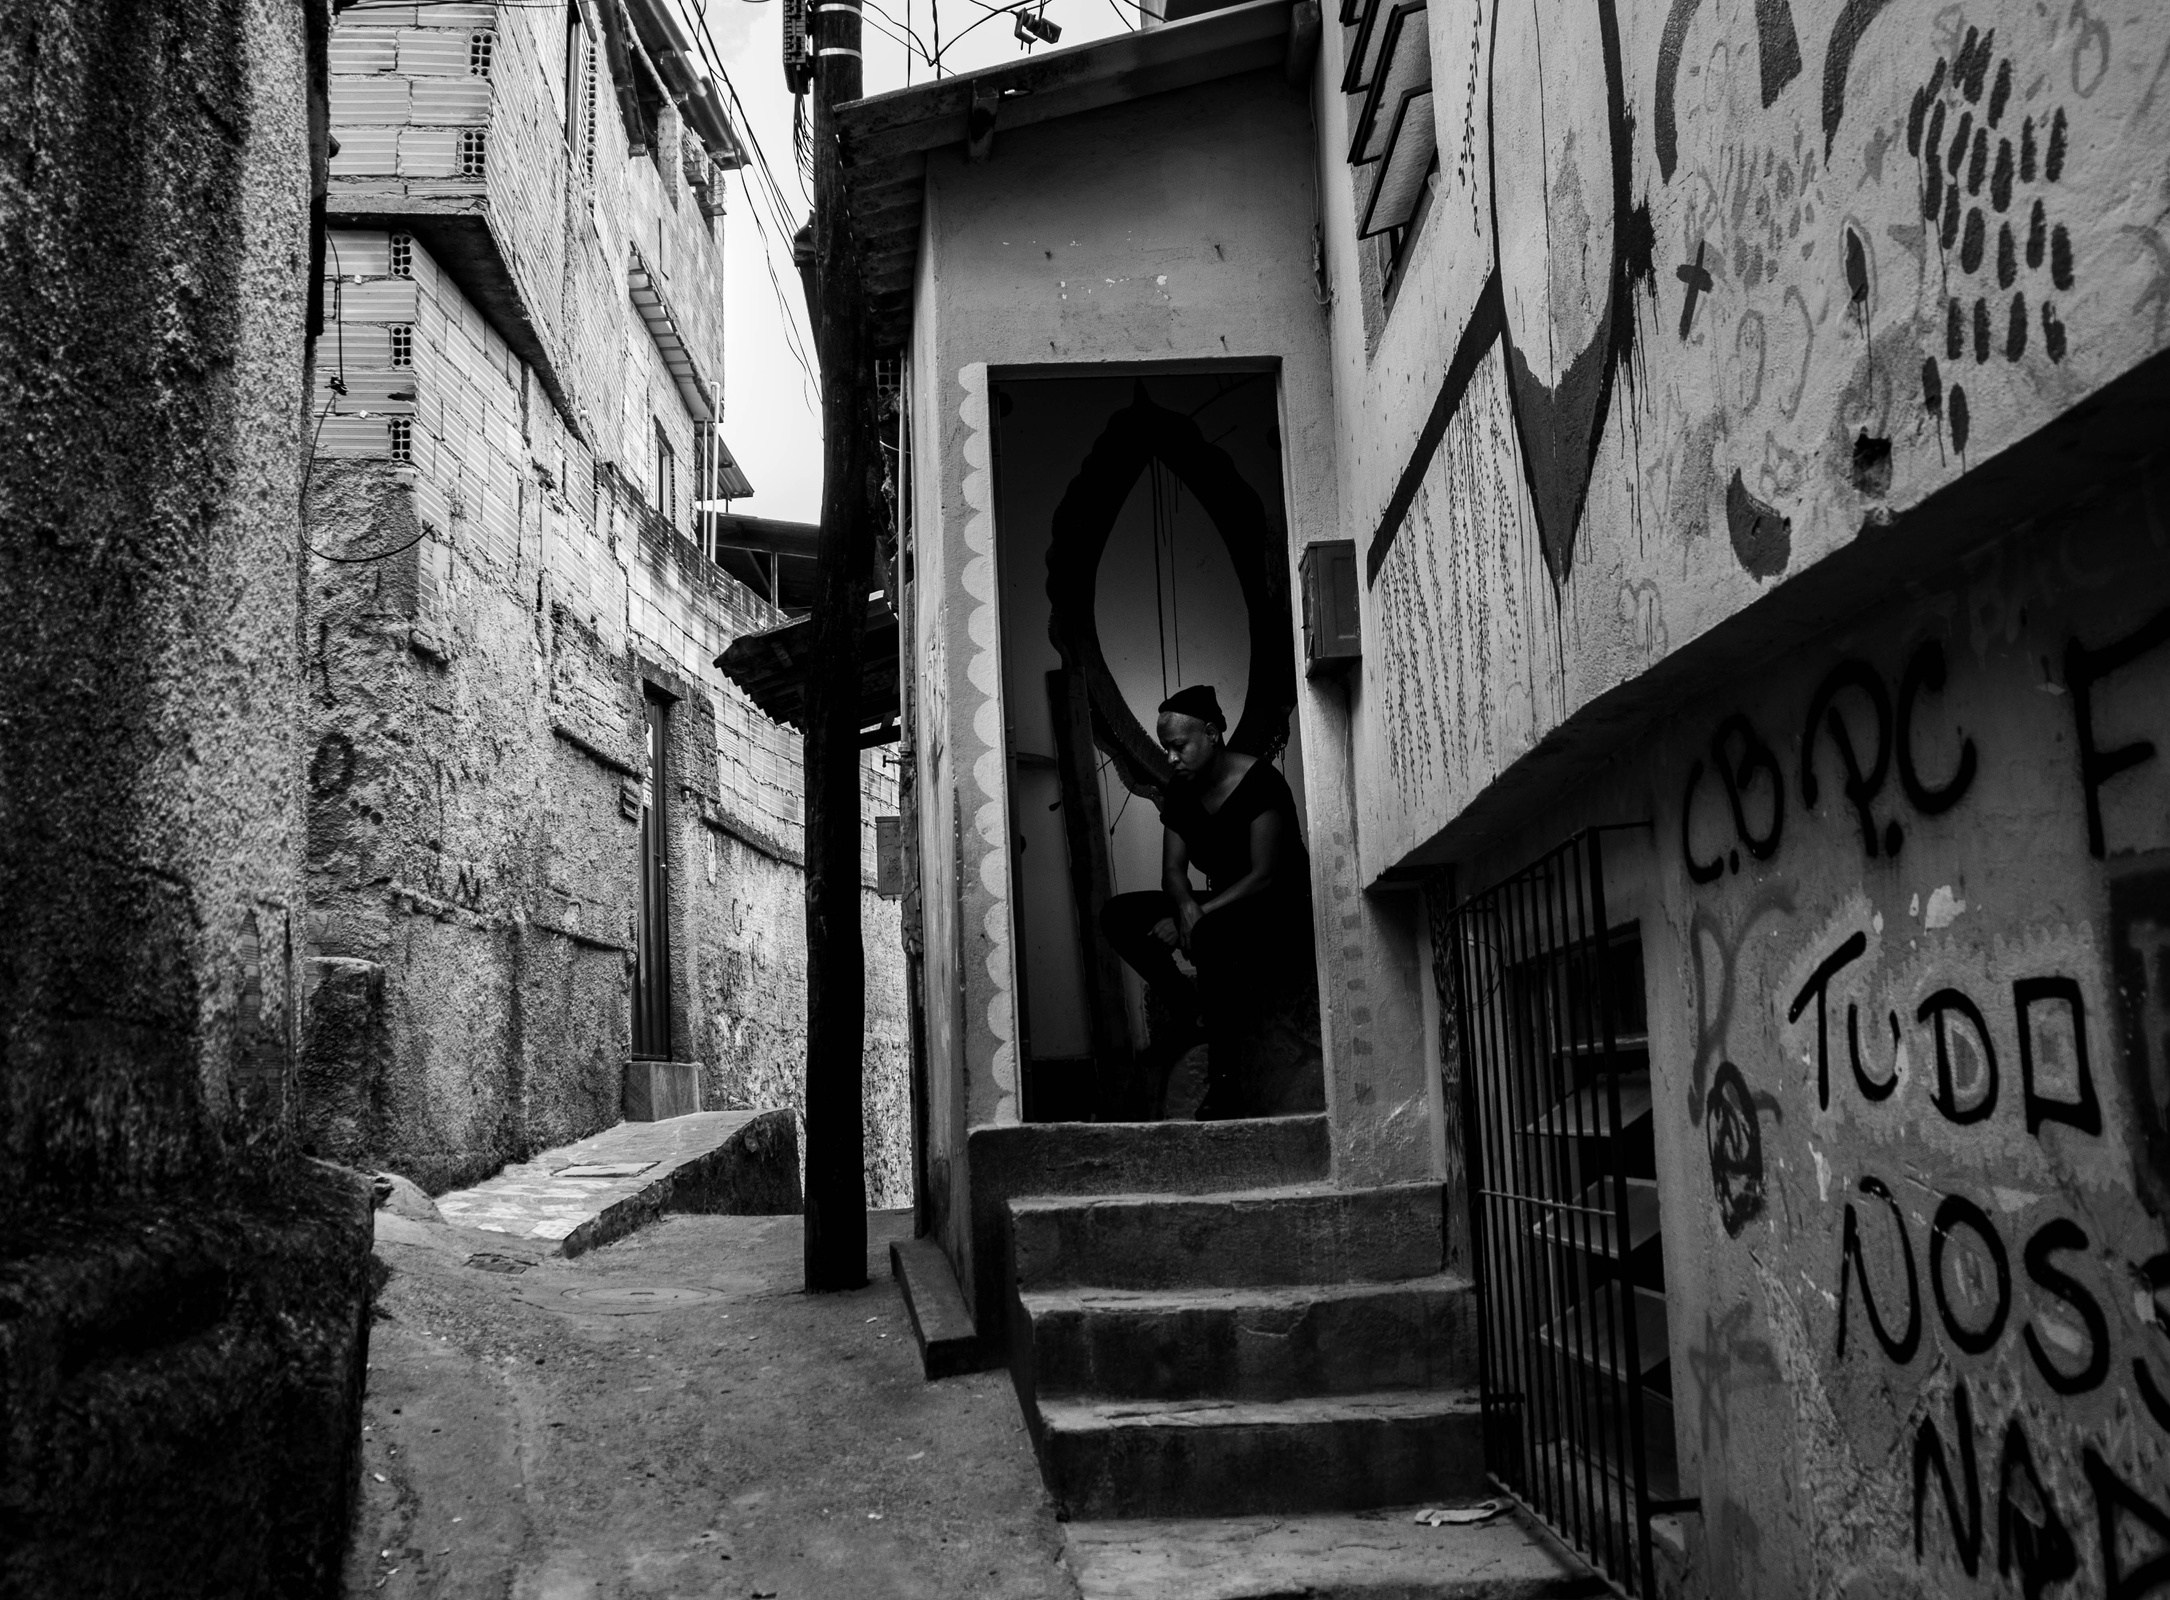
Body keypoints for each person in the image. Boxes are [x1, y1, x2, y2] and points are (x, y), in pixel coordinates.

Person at [1100, 685, 1317, 1119]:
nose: (1170, 757)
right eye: (1166, 747)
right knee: (1119, 915)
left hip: (1278, 910)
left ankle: (1224, 1090)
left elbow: (1264, 876)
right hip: (1222, 907)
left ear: (1213, 734)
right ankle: (1192, 1012)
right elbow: (1172, 870)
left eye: (1178, 746)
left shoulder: (1260, 783)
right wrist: (1184, 906)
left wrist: (1199, 915)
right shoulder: (1182, 789)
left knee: (1211, 933)